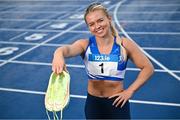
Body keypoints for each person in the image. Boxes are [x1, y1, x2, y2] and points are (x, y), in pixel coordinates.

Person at [52, 2, 154, 119]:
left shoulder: (124, 44)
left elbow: (148, 68)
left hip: (117, 103)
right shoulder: (85, 45)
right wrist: (58, 54)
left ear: (109, 19)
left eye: (100, 20)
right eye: (92, 24)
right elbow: (67, 50)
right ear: (89, 27)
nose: (97, 26)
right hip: (93, 104)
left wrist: (130, 91)